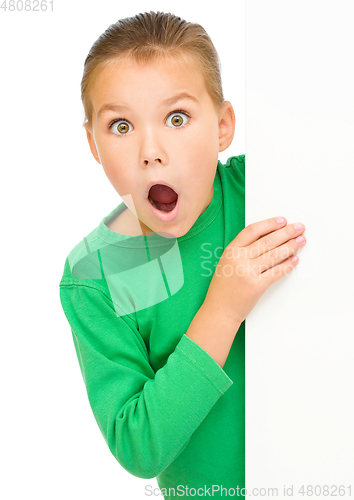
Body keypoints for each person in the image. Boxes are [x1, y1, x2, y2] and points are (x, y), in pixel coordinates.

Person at [59, 11, 306, 499]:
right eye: (121, 124)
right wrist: (222, 309)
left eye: (177, 118)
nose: (151, 151)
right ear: (92, 143)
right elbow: (139, 447)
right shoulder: (96, 277)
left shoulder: (270, 188)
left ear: (222, 126)